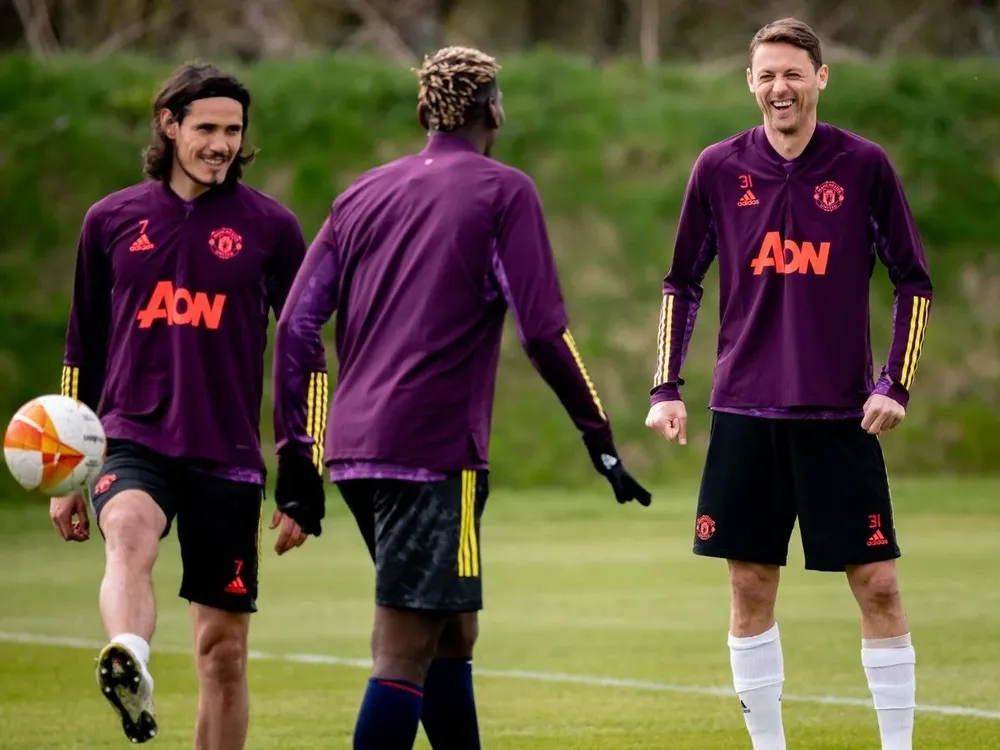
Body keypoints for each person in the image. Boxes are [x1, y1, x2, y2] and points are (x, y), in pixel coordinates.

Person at [270, 45, 652, 750]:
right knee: (404, 650)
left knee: (452, 630)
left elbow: (296, 326)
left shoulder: (361, 193)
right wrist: (597, 436)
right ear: (495, 111)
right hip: (433, 455)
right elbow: (545, 333)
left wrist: (302, 454)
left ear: (424, 112)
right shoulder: (504, 191)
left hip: (357, 453)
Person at [644, 17, 931, 750]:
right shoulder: (717, 168)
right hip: (745, 411)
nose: (780, 88)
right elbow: (681, 282)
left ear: (821, 79)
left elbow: (913, 284)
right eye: (767, 75)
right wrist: (666, 386)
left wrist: (894, 382)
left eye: (793, 74)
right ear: (750, 83)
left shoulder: (864, 167)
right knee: (750, 586)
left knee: (878, 585)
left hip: (840, 415)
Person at [49, 62, 318, 747]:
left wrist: (302, 464)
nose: (221, 144)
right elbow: (82, 348)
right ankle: (129, 657)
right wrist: (67, 470)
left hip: (227, 457)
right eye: (206, 128)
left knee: (222, 655)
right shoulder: (109, 221)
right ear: (168, 125)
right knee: (130, 535)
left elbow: (303, 353)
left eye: (232, 130)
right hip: (130, 439)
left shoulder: (273, 229)